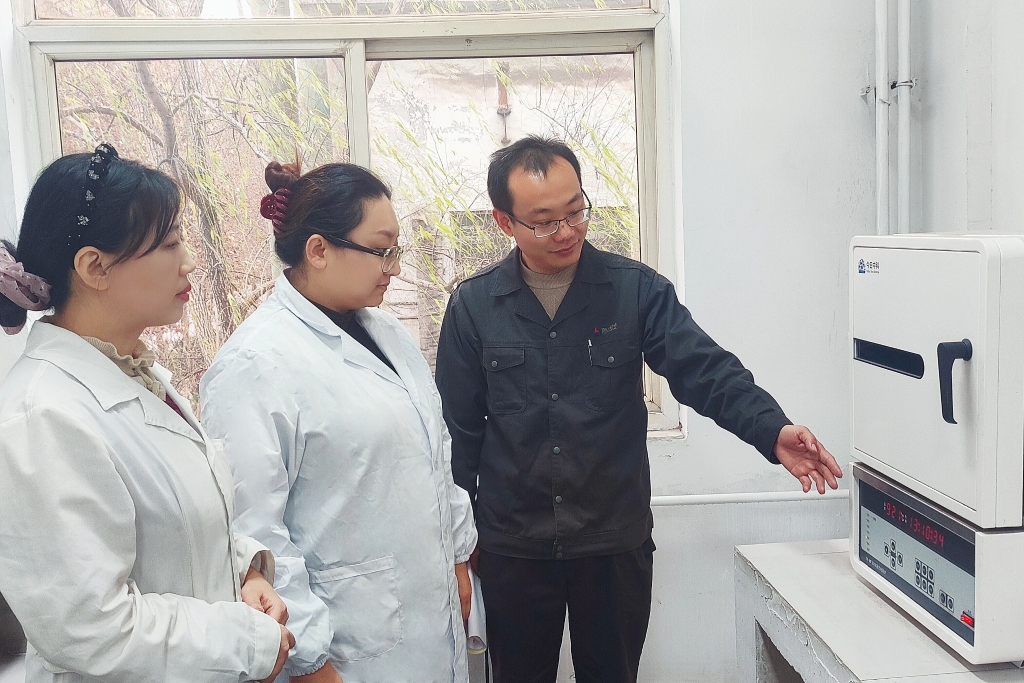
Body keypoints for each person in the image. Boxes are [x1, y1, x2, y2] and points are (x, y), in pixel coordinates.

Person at [434, 136, 844, 683]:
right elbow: (457, 438)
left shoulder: (634, 290)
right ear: (504, 222)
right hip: (513, 547)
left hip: (611, 540)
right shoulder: (474, 306)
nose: (567, 231)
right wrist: (457, 547)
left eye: (576, 211)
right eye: (545, 222)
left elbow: (705, 370)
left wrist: (771, 430)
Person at [0, 144, 294, 683]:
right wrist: (246, 640)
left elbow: (173, 533)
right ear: (94, 267)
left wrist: (245, 573)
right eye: (170, 243)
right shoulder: (41, 415)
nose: (188, 262)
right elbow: (90, 628)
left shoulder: (135, 373)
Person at [199, 160, 477, 683]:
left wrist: (458, 559)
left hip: (429, 623)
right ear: (319, 250)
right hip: (345, 647)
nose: (394, 268)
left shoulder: (389, 334)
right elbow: (253, 531)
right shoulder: (254, 364)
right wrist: (308, 660)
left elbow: (435, 452)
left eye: (396, 250)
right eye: (382, 250)